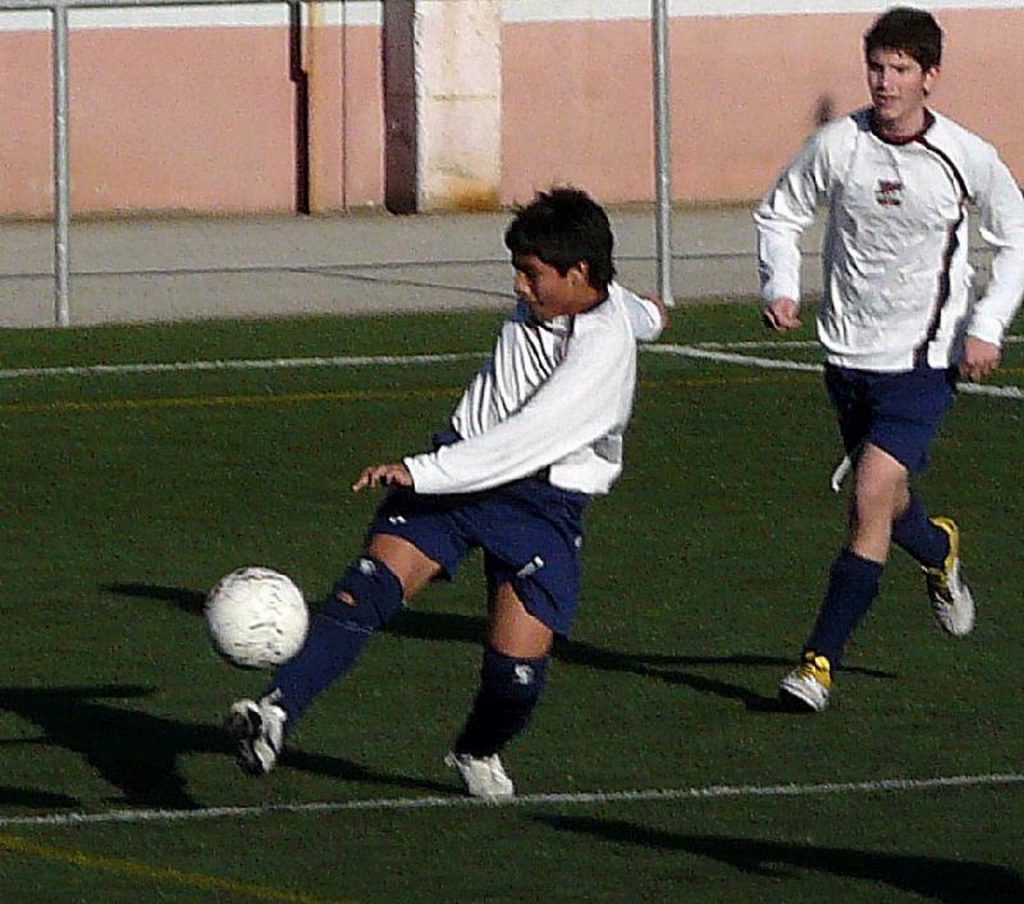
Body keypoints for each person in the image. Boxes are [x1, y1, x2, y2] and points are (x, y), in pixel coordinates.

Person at [224, 187, 668, 798]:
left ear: (579, 272)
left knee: (515, 679)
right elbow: (636, 311)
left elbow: (523, 443)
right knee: (368, 586)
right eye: (518, 271)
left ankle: (477, 749)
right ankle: (275, 712)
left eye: (532, 275)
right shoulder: (602, 301)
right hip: (460, 465)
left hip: (537, 499)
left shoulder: (600, 356)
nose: (519, 287)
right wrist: (655, 314)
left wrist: (420, 471)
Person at [754, 6, 1024, 712]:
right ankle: (938, 550)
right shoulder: (838, 145)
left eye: (901, 69)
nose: (885, 81)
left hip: (924, 360)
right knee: (893, 505)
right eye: (877, 67)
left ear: (930, 77)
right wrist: (781, 284)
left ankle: (816, 664)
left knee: (869, 495)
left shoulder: (966, 156)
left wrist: (987, 323)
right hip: (847, 356)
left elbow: (1015, 240)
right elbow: (780, 213)